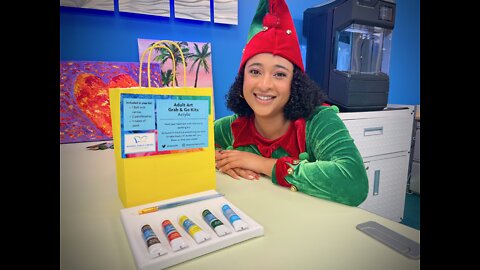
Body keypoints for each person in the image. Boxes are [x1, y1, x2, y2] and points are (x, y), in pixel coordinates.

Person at [214, 0, 368, 207]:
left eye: (279, 74)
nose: (265, 84)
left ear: (294, 84)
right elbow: (185, 149)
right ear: (243, 79)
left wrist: (262, 164)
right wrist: (219, 159)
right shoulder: (232, 126)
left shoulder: (318, 121)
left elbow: (354, 182)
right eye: (255, 71)